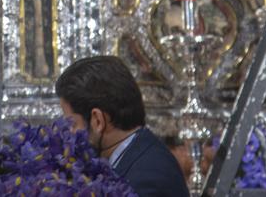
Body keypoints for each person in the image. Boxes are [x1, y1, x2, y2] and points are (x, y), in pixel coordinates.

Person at [56, 55, 189, 197]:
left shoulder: (146, 179)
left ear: (97, 120)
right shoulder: (137, 154)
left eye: (72, 124)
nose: (69, 133)